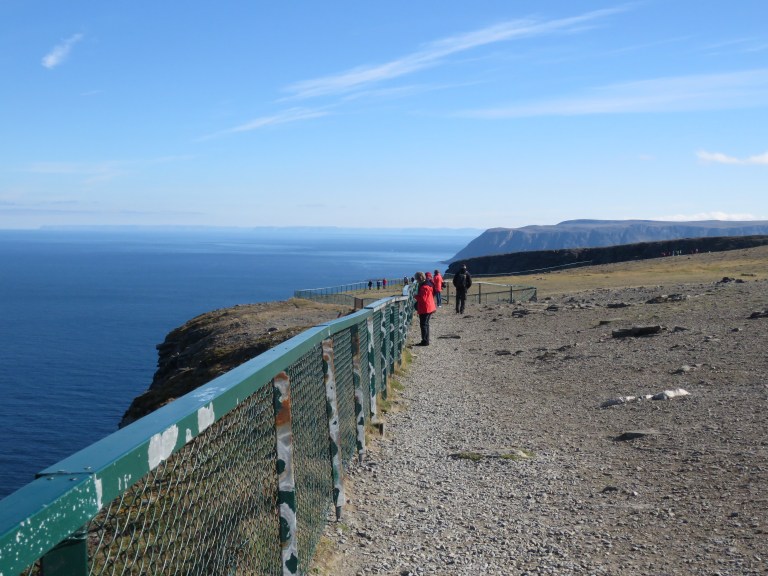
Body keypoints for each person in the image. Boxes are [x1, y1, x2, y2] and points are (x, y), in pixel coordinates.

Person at [413, 271, 436, 346]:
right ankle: (426, 340)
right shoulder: (429, 285)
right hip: (429, 306)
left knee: (423, 324)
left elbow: (422, 299)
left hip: (425, 308)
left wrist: (415, 296)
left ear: (418, 279)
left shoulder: (424, 287)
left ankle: (425, 341)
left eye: (416, 279)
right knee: (426, 324)